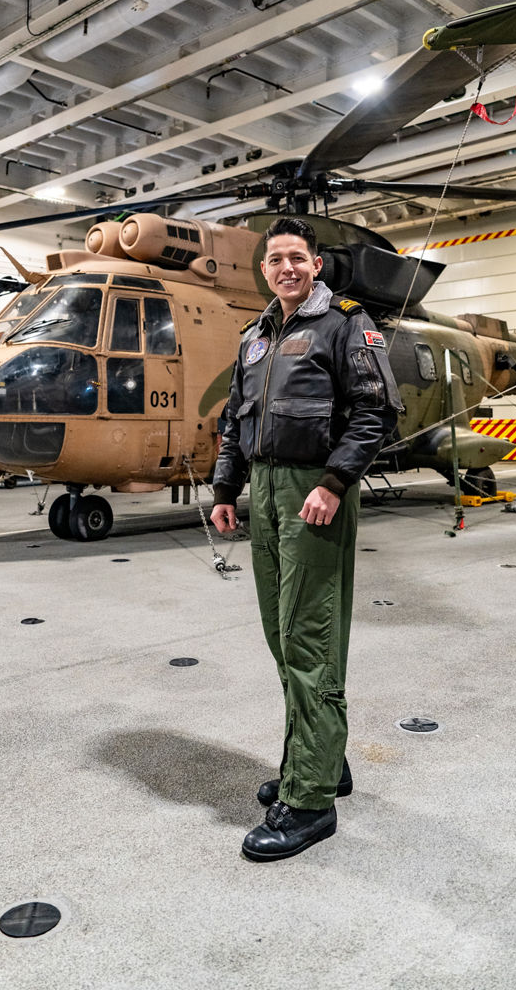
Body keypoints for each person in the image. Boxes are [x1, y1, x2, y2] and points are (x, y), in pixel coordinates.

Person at [211, 217, 402, 862]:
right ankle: (328, 759)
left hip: (311, 492)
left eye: (297, 258)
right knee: (280, 631)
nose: (286, 268)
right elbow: (234, 422)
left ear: (316, 265)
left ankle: (312, 799)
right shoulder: (255, 336)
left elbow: (376, 411)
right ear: (263, 270)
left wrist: (334, 482)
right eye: (275, 260)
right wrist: (223, 491)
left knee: (308, 635)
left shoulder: (346, 324)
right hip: (263, 491)